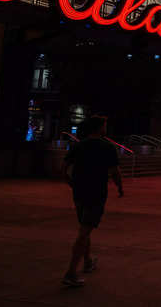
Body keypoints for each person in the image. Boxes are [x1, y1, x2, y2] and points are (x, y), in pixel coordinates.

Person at [62, 116, 123, 287]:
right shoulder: (107, 147)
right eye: (104, 125)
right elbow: (115, 171)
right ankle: (71, 272)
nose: (106, 128)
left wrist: (70, 182)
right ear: (99, 128)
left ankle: (87, 261)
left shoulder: (78, 145)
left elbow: (64, 168)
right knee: (84, 231)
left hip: (79, 191)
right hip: (96, 192)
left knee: (84, 226)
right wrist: (120, 187)